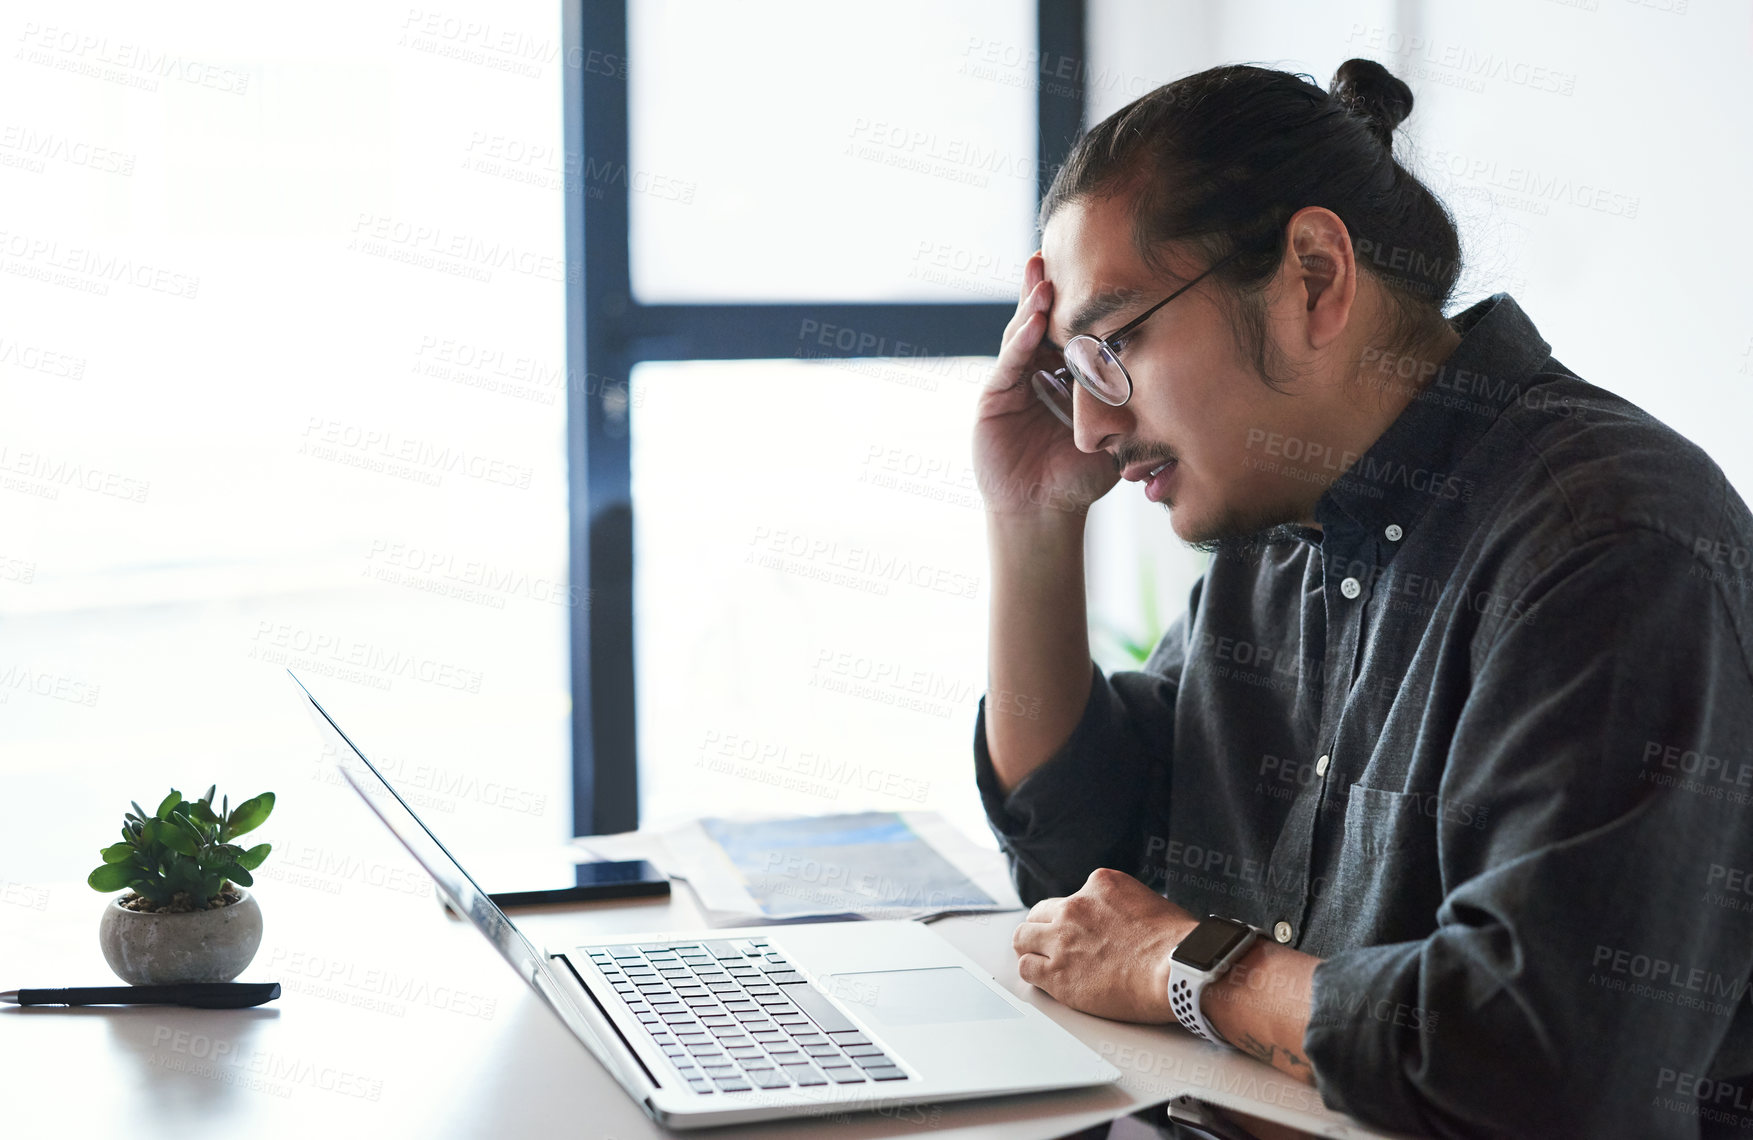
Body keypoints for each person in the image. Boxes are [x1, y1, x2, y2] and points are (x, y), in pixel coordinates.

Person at [972, 58, 1753, 1139]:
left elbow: (1537, 1057)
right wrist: (1031, 525)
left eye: (1115, 347)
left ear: (1312, 275)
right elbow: (1082, 871)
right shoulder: (1282, 518)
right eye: (1074, 372)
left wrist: (1177, 963)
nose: (1092, 429)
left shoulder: (1609, 543)